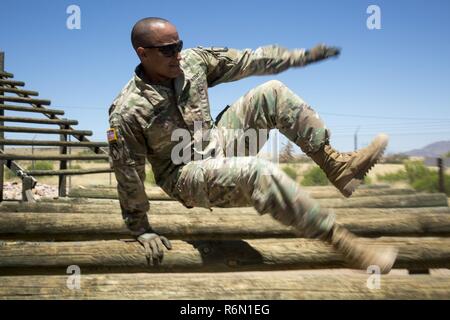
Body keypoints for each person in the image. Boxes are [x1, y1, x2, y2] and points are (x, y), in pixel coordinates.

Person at [107, 17, 397, 272]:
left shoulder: (193, 63)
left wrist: (302, 56)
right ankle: (341, 242)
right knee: (257, 171)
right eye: (168, 50)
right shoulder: (128, 110)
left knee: (271, 93)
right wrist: (140, 229)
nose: (178, 55)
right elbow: (127, 172)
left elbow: (249, 60)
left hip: (214, 144)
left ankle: (337, 166)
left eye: (179, 45)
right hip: (184, 175)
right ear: (142, 53)